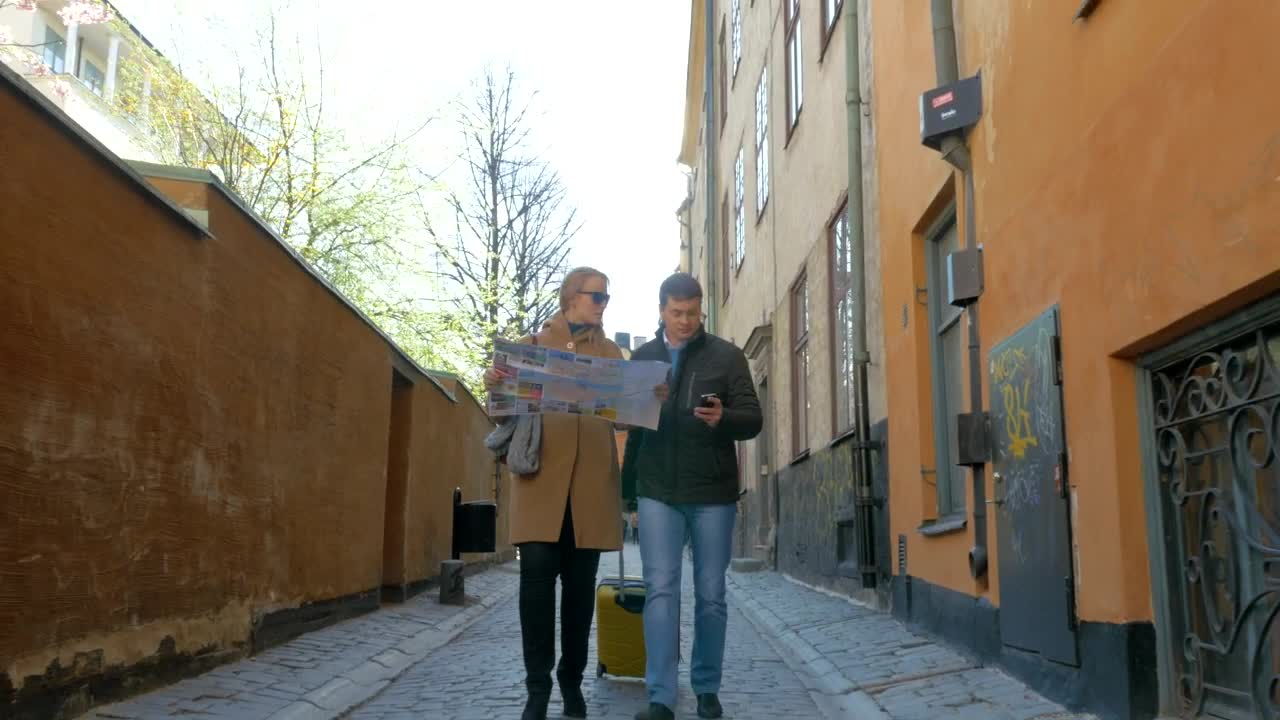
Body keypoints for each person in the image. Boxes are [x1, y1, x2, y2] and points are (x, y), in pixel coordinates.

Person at [485, 267, 630, 720]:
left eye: (607, 297)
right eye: (597, 297)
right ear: (571, 297)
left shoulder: (611, 355)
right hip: (540, 482)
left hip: (590, 487)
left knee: (580, 588)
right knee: (537, 582)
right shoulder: (530, 347)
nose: (604, 304)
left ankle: (572, 681)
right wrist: (494, 387)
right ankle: (536, 688)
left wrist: (648, 396)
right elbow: (498, 415)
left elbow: (625, 419)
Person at [621, 273, 763, 720]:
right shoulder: (643, 358)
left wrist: (724, 418)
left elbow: (753, 418)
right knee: (660, 590)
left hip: (712, 492)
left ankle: (706, 688)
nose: (686, 321)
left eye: (693, 313)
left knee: (711, 593)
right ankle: (660, 696)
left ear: (702, 310)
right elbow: (630, 430)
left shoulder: (726, 355)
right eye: (677, 313)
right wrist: (628, 497)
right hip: (658, 490)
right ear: (662, 310)